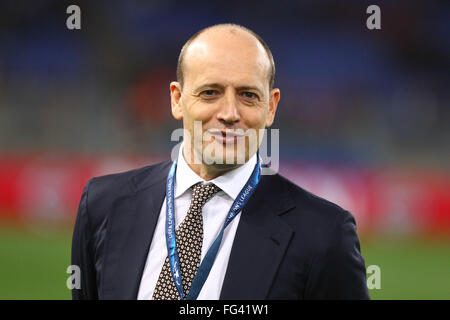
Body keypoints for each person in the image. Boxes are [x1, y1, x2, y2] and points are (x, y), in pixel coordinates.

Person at [71, 23, 370, 300]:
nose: (229, 112)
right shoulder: (103, 205)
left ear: (271, 107)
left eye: (248, 95)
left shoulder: (325, 234)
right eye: (210, 92)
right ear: (177, 99)